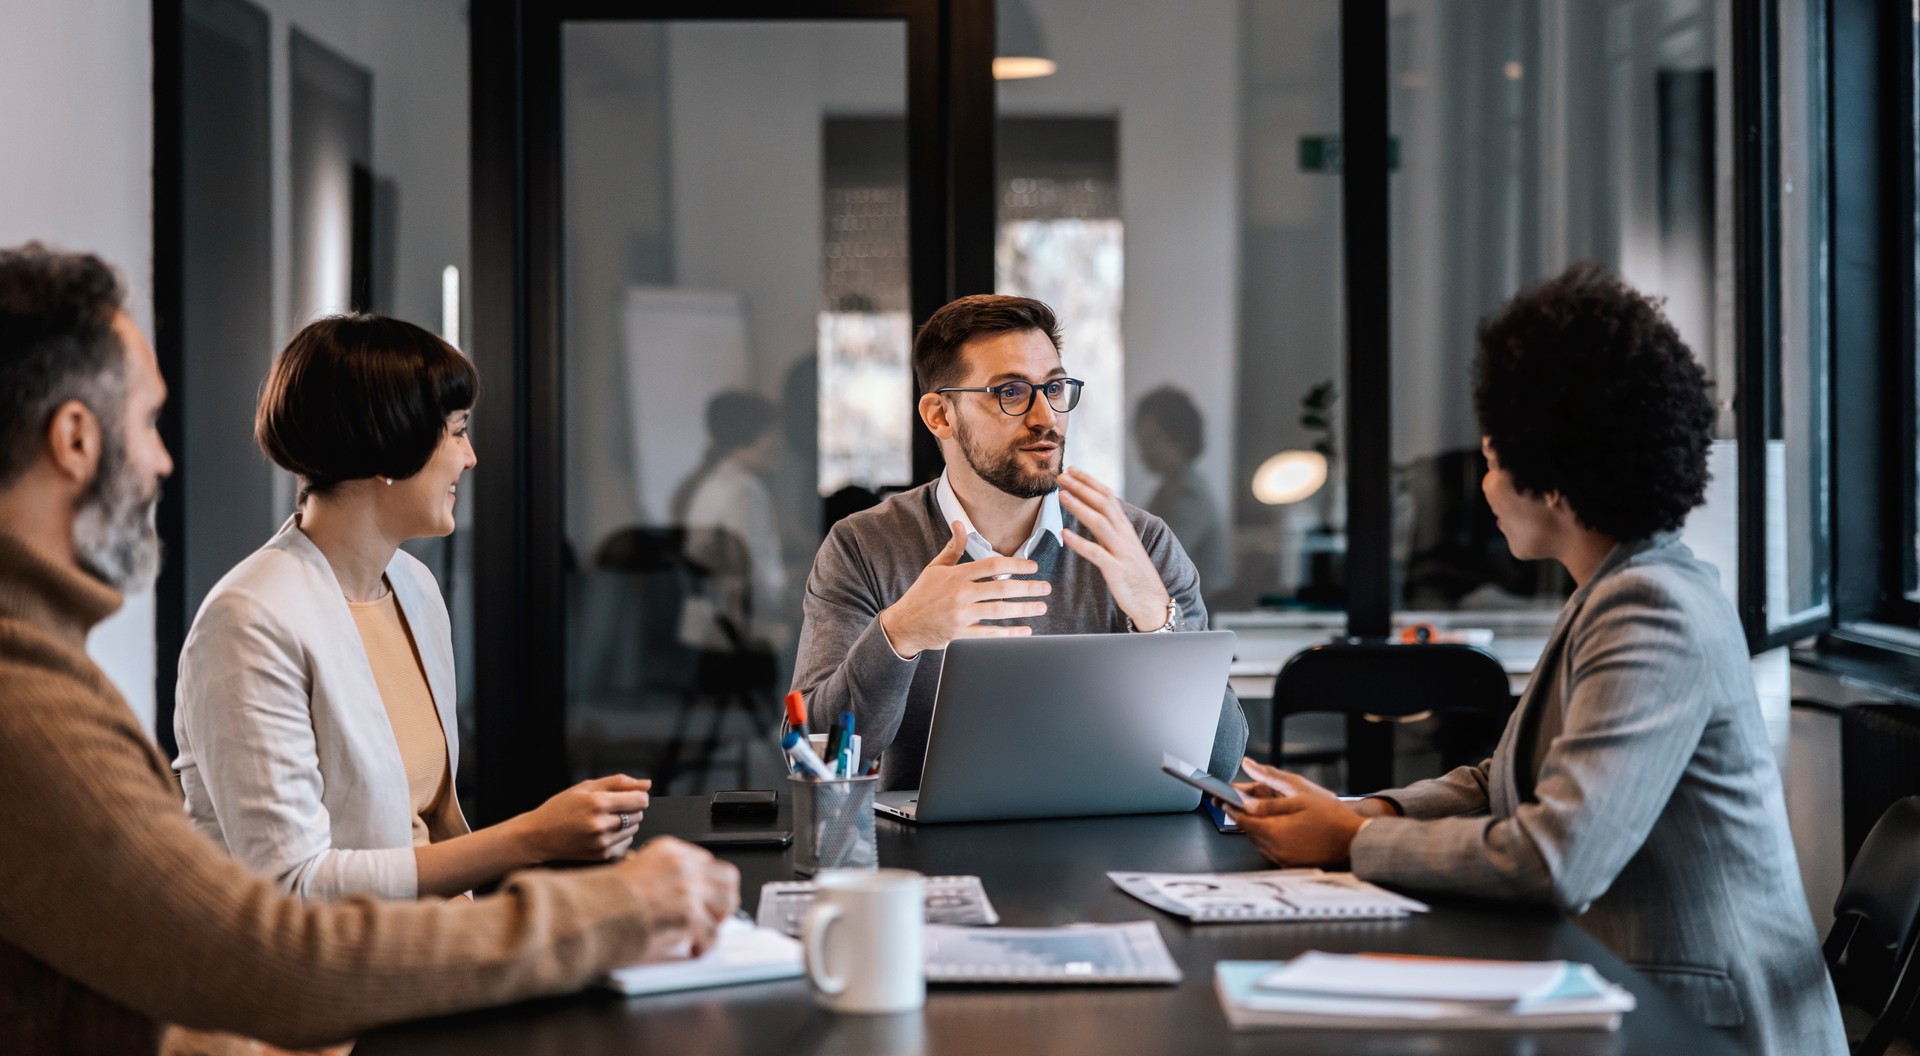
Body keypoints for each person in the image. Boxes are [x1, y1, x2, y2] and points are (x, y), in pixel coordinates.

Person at [0, 244, 739, 1054]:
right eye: (145, 422)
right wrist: (595, 903)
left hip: (411, 986)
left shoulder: (412, 589)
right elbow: (271, 945)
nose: (163, 458)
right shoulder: (47, 698)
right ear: (73, 438)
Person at [1224, 264, 1844, 1056]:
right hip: (1631, 994)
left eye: (1490, 459)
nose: (1483, 486)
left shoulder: (1650, 607)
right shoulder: (1612, 588)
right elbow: (1502, 778)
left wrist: (1348, 840)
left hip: (1706, 1029)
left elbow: (1558, 857)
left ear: (1550, 477)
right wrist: (1366, 811)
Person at [171, 315, 656, 902]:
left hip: (432, 947)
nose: (471, 457)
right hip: (333, 980)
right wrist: (531, 838)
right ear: (390, 445)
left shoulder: (413, 586)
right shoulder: (247, 622)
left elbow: (425, 828)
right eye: (456, 432)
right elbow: (294, 886)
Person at [792, 294, 1247, 788]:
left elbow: (1219, 766)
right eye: (1011, 392)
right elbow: (812, 761)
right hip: (931, 853)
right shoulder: (863, 546)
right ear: (940, 416)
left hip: (1108, 847)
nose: (1045, 417)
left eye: (1054, 387)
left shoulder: (1141, 544)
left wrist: (1156, 619)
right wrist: (900, 634)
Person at [671, 390, 789, 655]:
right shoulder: (744, 490)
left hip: (706, 627)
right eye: (772, 432)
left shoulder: (713, 483)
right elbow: (752, 572)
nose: (779, 442)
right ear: (756, 436)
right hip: (736, 630)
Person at [1133, 385, 1231, 594]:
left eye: (1153, 440)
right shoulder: (1169, 488)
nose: (1143, 450)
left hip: (1201, 613)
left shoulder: (1189, 494)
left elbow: (1161, 560)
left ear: (1180, 439)